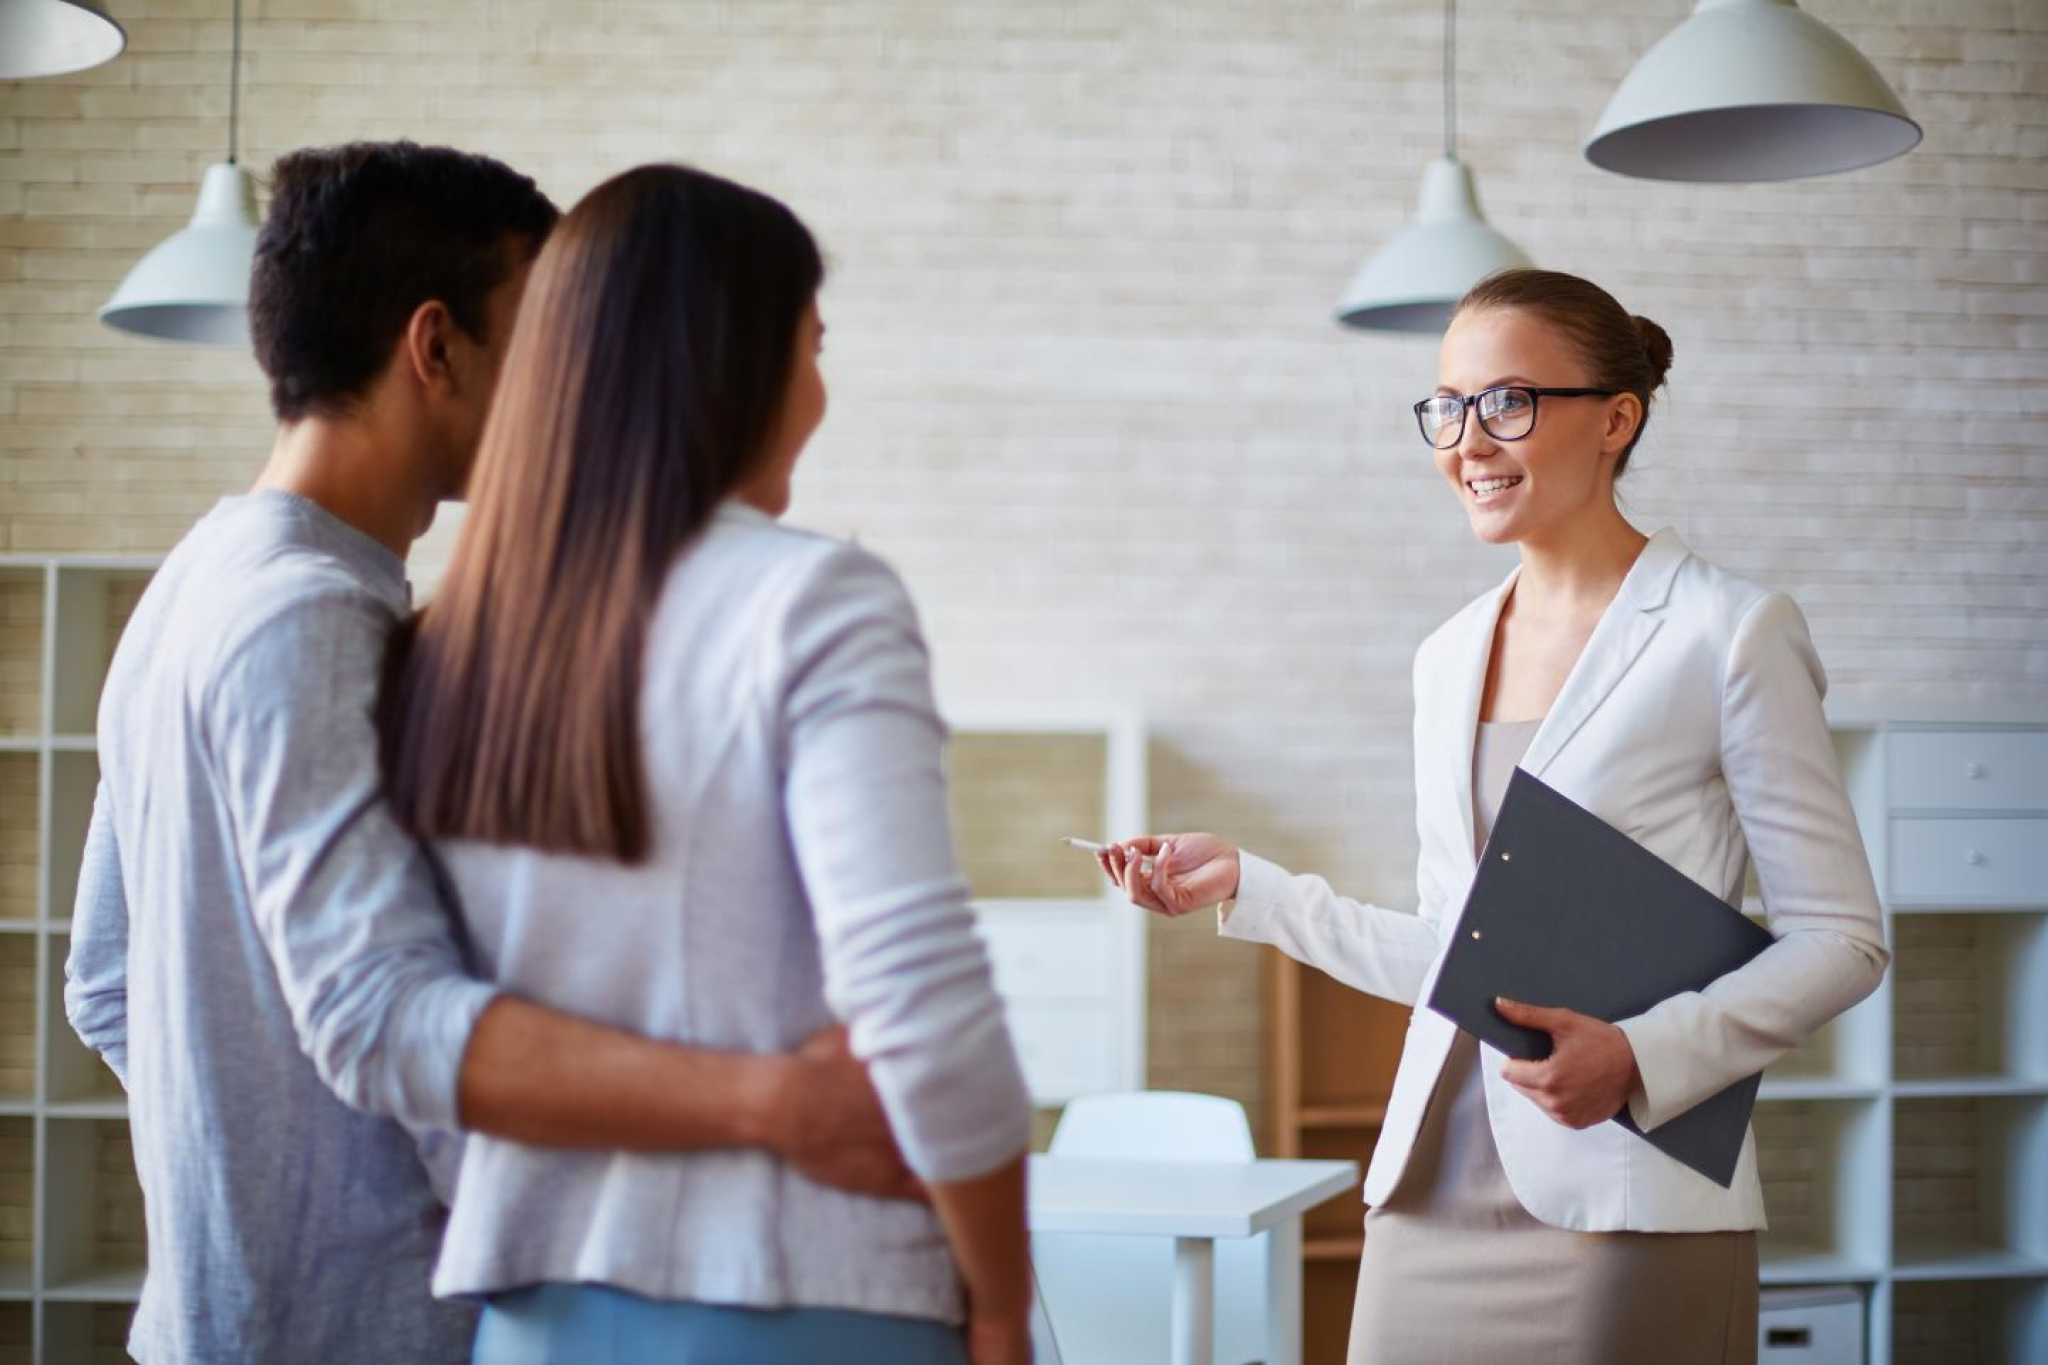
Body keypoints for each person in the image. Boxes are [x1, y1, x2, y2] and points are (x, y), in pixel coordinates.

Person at [64, 141, 918, 1365]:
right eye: (546, 340)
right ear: (436, 349)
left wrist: (249, 1182)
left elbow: (106, 982)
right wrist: (771, 1105)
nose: (575, 387)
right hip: (363, 1338)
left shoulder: (195, 580)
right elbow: (376, 1012)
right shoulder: (312, 619)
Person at [1099, 268, 1889, 1365]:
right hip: (1427, 1190)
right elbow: (1453, 950)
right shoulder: (1446, 655)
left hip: (1622, 1195)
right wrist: (1248, 885)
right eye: (1446, 406)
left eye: (1507, 401)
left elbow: (1841, 941)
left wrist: (1641, 1054)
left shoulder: (1728, 633)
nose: (1466, 440)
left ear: (1616, 417)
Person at [376, 162, 1034, 1365]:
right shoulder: (812, 599)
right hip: (804, 1297)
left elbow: (410, 1027)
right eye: (813, 344)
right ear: (730, 358)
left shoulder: (441, 643)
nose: (820, 391)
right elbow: (918, 998)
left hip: (528, 1316)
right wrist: (998, 1298)